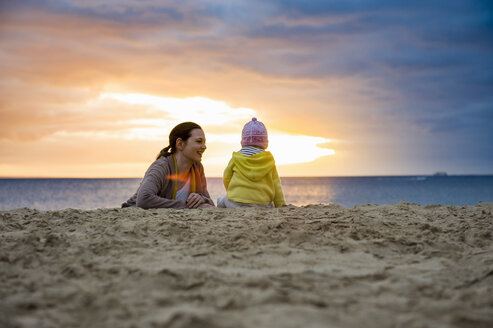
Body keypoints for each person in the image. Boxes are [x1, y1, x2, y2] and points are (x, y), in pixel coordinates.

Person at [122, 122, 215, 209]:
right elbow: (144, 200)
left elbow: (209, 203)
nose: (204, 146)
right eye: (199, 141)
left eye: (204, 142)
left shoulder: (197, 168)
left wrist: (201, 198)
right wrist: (186, 207)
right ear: (180, 144)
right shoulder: (161, 166)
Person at [217, 117, 286, 208]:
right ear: (266, 142)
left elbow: (226, 177)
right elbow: (276, 185)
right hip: (262, 204)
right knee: (271, 205)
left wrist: (232, 192)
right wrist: (281, 205)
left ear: (243, 141)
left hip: (235, 202)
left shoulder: (237, 157)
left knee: (221, 200)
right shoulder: (268, 160)